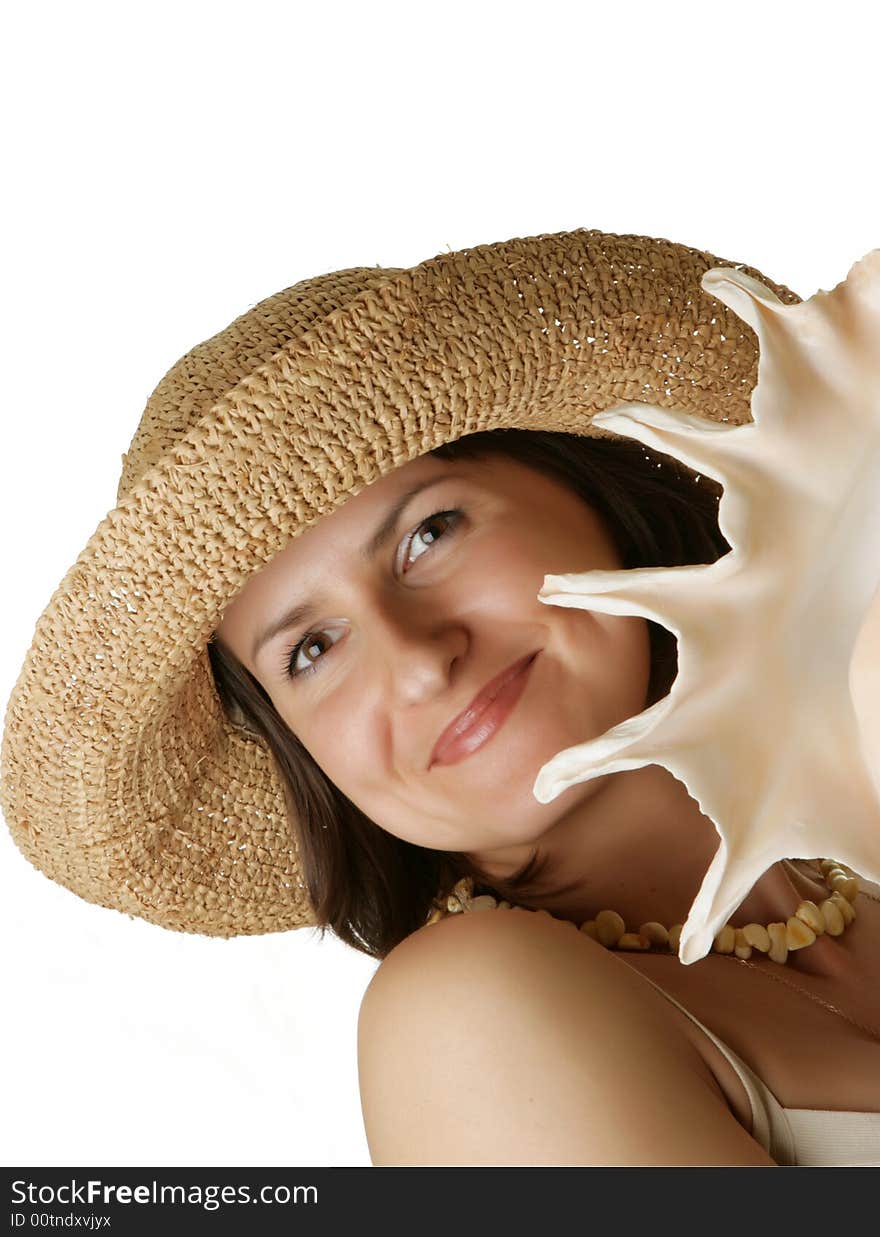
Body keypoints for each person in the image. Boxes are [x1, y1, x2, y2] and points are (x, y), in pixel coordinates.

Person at [3, 227, 879, 1167]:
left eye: (430, 533)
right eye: (311, 649)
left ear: (583, 483)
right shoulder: (467, 1013)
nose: (420, 661)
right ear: (300, 750)